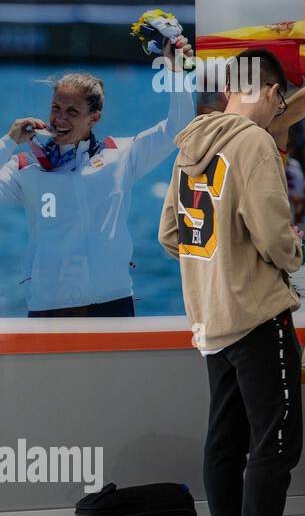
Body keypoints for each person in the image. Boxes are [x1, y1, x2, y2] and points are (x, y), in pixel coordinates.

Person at [158, 48, 305, 516]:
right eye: (282, 97)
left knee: (226, 440)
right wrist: (293, 253)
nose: (282, 109)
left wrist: (216, 267)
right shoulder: (252, 143)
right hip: (256, 317)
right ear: (265, 89)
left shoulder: (191, 144)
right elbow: (278, 240)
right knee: (275, 444)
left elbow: (169, 235)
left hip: (210, 318)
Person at [0, 39, 194, 317]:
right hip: (49, 306)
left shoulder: (122, 156)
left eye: (72, 111)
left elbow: (179, 126)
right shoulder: (26, 165)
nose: (59, 119)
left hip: (113, 302)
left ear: (94, 117)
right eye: (56, 108)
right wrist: (8, 141)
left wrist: (176, 72)